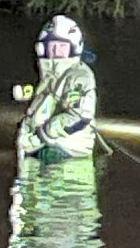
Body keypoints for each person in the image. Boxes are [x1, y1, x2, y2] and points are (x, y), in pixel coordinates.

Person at [15, 14, 98, 163]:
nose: (56, 52)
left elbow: (80, 116)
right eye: (52, 46)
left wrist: (44, 133)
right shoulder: (49, 74)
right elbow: (45, 97)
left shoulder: (79, 76)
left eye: (62, 47)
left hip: (64, 147)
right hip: (39, 144)